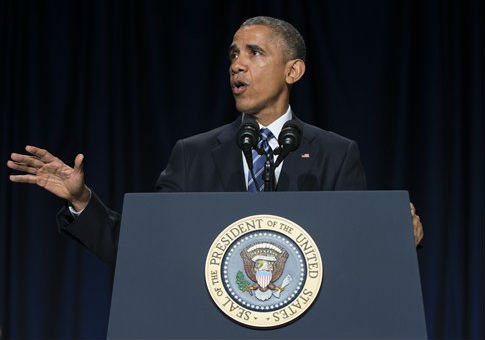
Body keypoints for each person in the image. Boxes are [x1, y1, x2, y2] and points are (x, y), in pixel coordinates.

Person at [7, 16, 423, 265]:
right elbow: (141, 249)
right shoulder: (193, 154)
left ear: (293, 71)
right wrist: (82, 202)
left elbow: (355, 256)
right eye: (233, 55)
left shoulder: (335, 153)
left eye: (254, 53)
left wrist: (397, 241)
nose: (237, 65)